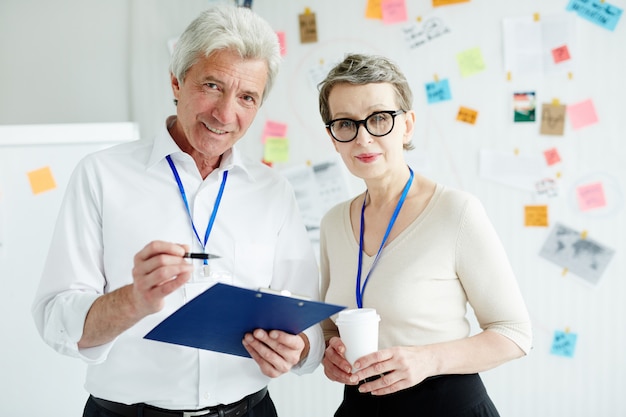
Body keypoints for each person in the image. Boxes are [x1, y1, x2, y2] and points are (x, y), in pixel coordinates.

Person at [32, 5, 323, 417]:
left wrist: (300, 347)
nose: (225, 114)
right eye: (211, 85)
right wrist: (132, 300)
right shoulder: (101, 175)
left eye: (246, 97)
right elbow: (54, 320)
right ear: (176, 81)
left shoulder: (273, 191)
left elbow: (306, 317)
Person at [317, 53, 532, 417]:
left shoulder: (456, 211)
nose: (363, 137)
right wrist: (330, 354)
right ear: (333, 137)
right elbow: (328, 328)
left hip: (447, 407)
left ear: (408, 125)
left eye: (379, 118)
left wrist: (427, 359)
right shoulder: (333, 222)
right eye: (346, 124)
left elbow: (514, 333)